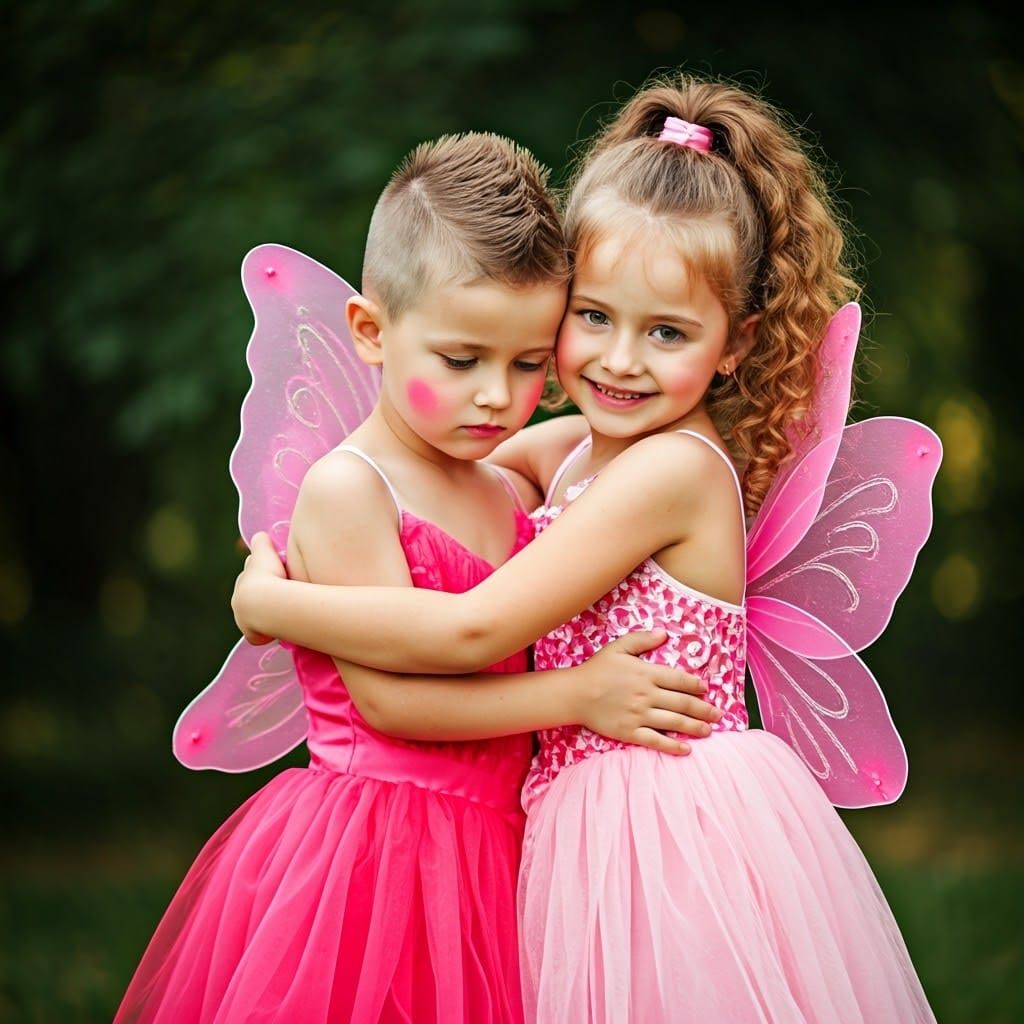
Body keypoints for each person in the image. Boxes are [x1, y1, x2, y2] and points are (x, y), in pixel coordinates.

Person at [232, 76, 938, 1022]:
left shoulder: (672, 472)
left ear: (736, 345)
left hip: (665, 828)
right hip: (576, 822)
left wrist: (273, 606)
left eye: (669, 333)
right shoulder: (575, 455)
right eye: (593, 317)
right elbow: (457, 478)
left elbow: (478, 624)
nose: (618, 359)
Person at [115, 131, 719, 1024]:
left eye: (526, 365)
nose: (495, 398)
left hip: (494, 848)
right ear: (370, 330)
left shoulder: (501, 481)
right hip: (377, 854)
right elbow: (394, 704)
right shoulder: (351, 489)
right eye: (461, 360)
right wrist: (578, 696)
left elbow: (614, 448)